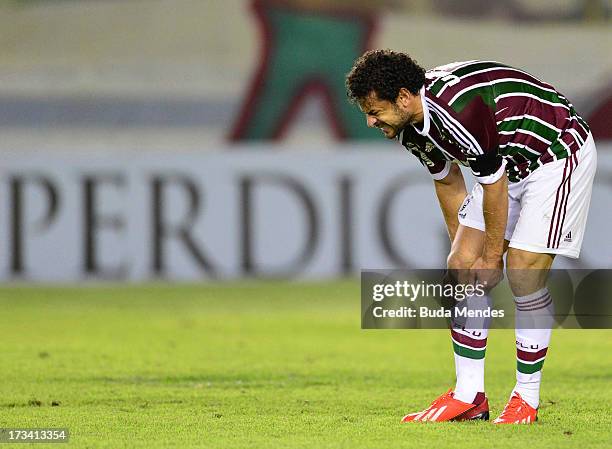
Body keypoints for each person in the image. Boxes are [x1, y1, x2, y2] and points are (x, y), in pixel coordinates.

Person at [346, 50, 597, 424]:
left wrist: (491, 257)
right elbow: (448, 182)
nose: (369, 120)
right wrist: (467, 255)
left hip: (555, 154)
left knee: (522, 270)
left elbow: (492, 183)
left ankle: (525, 398)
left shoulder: (457, 110)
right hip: (506, 162)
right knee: (460, 268)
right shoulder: (410, 127)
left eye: (374, 109)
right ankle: (469, 397)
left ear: (402, 96)